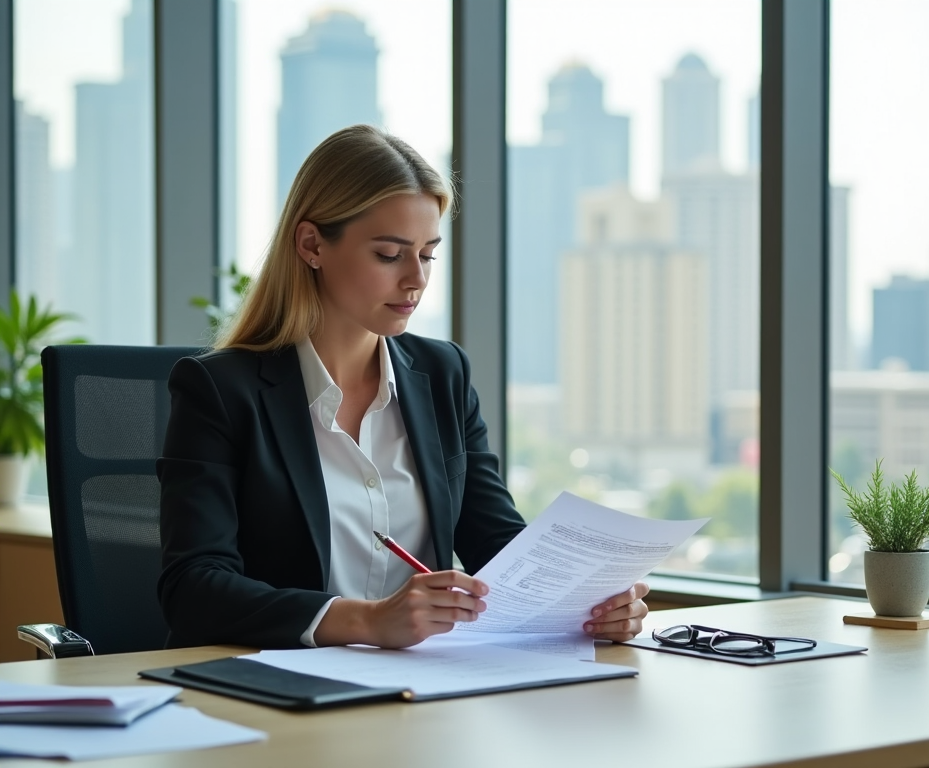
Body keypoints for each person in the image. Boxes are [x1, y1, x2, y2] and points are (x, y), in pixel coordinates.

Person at [157, 124, 650, 650]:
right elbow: (193, 587)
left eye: (428, 254)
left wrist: (587, 601)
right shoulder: (220, 391)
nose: (416, 278)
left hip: (419, 691)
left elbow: (498, 545)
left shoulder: (443, 375)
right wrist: (366, 620)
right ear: (311, 244)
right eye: (390, 255)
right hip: (274, 687)